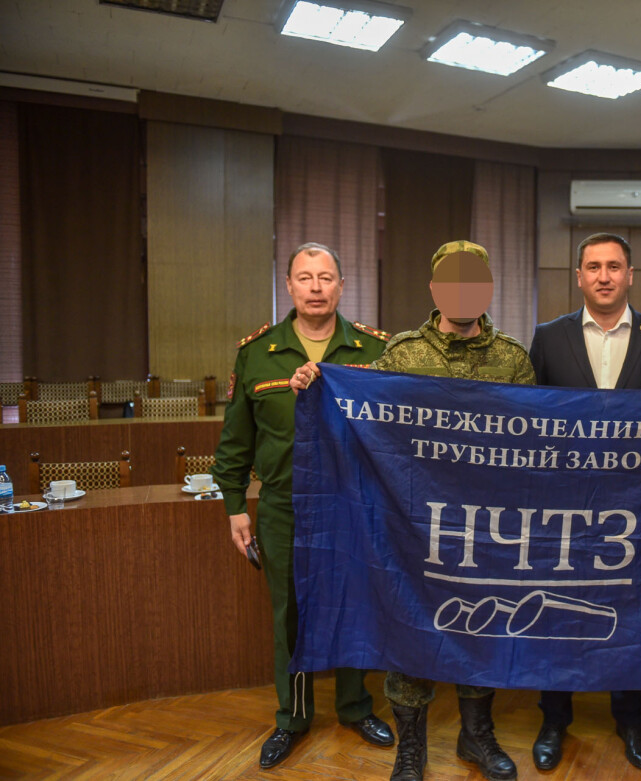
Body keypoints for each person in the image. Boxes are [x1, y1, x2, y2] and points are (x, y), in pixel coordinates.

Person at [292, 240, 533, 781]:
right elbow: (361, 411)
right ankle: (411, 749)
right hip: (413, 523)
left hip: (485, 527)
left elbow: (529, 444)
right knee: (409, 630)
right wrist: (318, 384)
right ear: (435, 289)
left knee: (482, 629)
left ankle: (476, 737)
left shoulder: (513, 359)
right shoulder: (402, 354)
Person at [212, 243, 395, 770]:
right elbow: (235, 441)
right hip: (283, 507)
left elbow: (391, 431)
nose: (316, 287)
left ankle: (355, 707)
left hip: (355, 505)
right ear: (288, 285)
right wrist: (234, 506)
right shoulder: (257, 353)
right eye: (305, 277)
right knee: (289, 615)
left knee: (355, 607)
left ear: (341, 286)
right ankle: (292, 717)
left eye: (326, 277)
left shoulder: (374, 350)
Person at [526, 232, 641, 771]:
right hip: (563, 506)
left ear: (630, 275)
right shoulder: (549, 337)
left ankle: (631, 720)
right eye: (593, 267)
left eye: (614, 266)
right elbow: (531, 421)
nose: (604, 276)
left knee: (628, 610)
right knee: (557, 610)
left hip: (636, 507)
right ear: (579, 277)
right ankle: (554, 719)